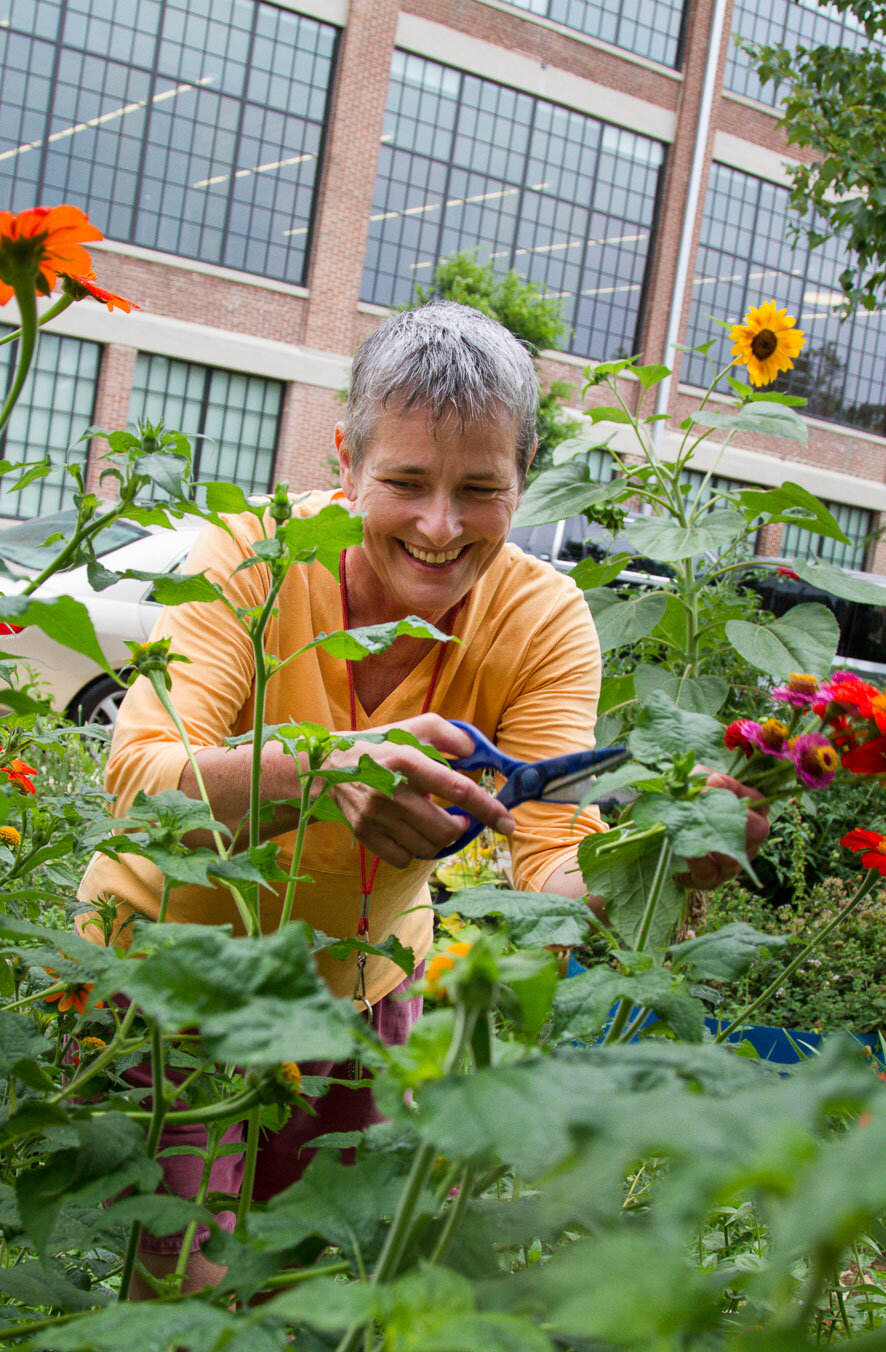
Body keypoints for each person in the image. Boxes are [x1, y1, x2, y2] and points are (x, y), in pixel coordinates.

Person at [76, 301, 768, 1299]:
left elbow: (549, 856)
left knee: (307, 1305)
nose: (439, 527)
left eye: (478, 490)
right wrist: (329, 769)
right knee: (183, 1308)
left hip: (354, 1001)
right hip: (167, 981)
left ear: (522, 482)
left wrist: (658, 859)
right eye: (404, 482)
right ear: (343, 463)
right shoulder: (251, 558)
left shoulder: (541, 621)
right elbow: (142, 779)